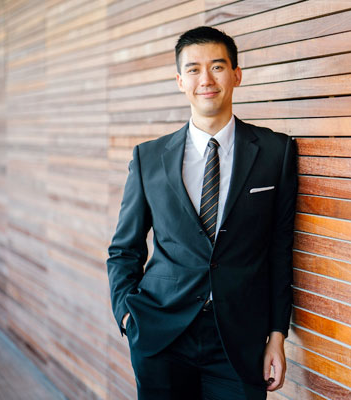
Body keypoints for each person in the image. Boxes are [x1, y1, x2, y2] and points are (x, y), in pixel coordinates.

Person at [107, 26, 297, 400]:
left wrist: (277, 336)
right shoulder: (149, 158)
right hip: (161, 335)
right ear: (180, 81)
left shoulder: (276, 152)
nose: (206, 80)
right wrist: (128, 317)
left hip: (239, 341)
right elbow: (125, 249)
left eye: (217, 67)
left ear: (237, 74)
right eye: (193, 70)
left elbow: (279, 251)